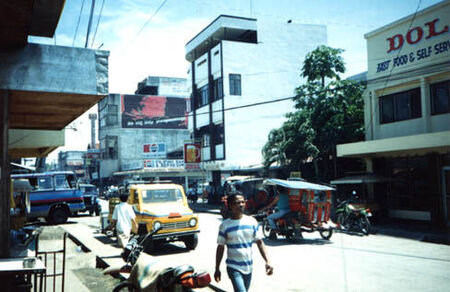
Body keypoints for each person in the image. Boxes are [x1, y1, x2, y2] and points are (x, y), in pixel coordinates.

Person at [215, 193, 273, 292]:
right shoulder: (225, 226)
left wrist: (267, 261)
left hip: (248, 267)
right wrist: (217, 268)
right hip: (233, 267)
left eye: (243, 202)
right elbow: (220, 247)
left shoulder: (252, 222)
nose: (241, 205)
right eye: (237, 203)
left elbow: (260, 242)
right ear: (230, 205)